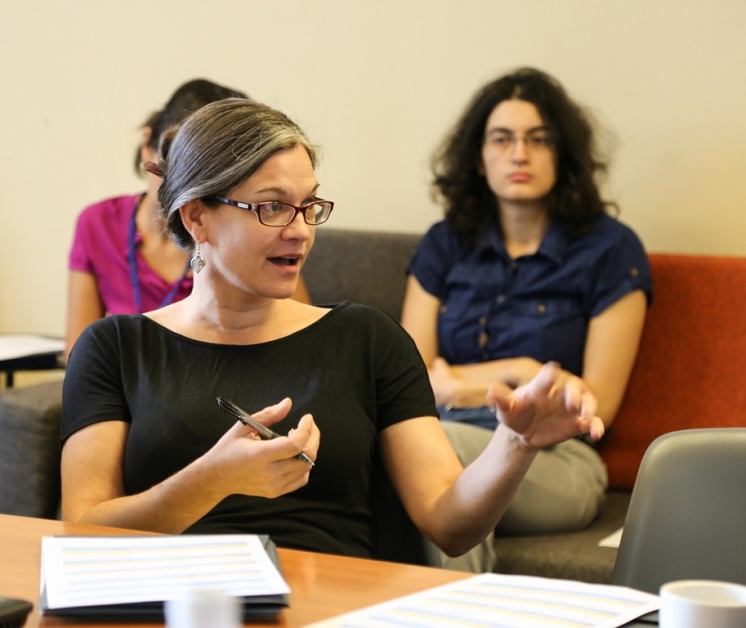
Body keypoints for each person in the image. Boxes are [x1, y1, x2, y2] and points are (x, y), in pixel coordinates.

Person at [61, 98, 605, 566]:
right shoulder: (115, 348)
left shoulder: (367, 339)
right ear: (197, 216)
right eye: (273, 207)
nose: (300, 231)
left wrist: (515, 444)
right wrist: (210, 480)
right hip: (171, 604)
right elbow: (81, 532)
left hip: (330, 606)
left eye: (309, 206)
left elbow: (450, 525)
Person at [401, 68, 652, 536]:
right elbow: (408, 383)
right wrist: (520, 374)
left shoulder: (611, 250)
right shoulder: (444, 244)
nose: (519, 153)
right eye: (501, 139)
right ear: (479, 157)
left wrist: (466, 385)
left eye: (539, 139)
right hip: (442, 434)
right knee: (411, 455)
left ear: (563, 154)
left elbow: (596, 405)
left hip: (557, 454)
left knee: (426, 461)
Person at [64, 79, 311, 360]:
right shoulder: (98, 224)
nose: (187, 181)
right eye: (178, 158)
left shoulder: (245, 239)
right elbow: (79, 353)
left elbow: (300, 343)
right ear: (148, 144)